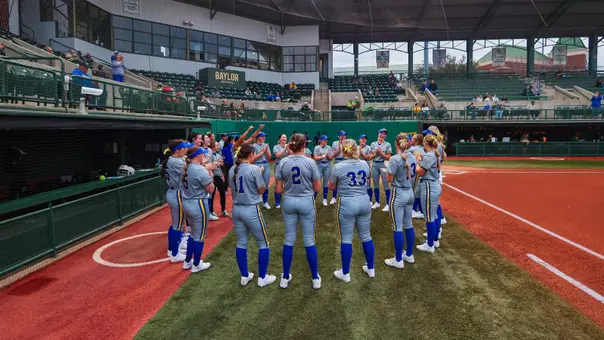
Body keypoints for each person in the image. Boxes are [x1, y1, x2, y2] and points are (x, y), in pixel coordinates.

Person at [275, 133, 322, 289]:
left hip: (289, 200)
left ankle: (285, 276)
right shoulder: (310, 162)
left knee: (289, 240)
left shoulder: (283, 162)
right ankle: (315, 277)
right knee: (309, 240)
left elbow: (278, 189)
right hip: (306, 201)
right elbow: (317, 188)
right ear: (304, 145)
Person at [228, 143, 276, 287]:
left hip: (236, 209)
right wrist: (259, 173)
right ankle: (262, 278)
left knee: (241, 242)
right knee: (264, 243)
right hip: (251, 208)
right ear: (250, 154)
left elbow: (232, 187)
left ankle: (245, 276)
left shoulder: (232, 169)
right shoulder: (254, 169)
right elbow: (261, 190)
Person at [328, 139, 375, 282]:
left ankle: (346, 273)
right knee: (366, 236)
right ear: (356, 150)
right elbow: (367, 180)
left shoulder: (338, 166)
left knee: (346, 238)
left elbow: (331, 187)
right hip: (363, 200)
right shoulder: (364, 164)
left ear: (343, 150)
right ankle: (371, 269)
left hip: (347, 202)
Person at [383, 133, 416, 268]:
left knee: (397, 227)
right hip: (410, 192)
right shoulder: (412, 156)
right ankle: (409, 254)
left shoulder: (394, 159)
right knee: (408, 225)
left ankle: (398, 260)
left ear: (396, 143)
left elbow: (389, 180)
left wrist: (387, 171)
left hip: (399, 193)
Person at [181, 146, 216, 272]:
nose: (204, 156)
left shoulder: (186, 168)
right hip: (198, 204)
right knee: (200, 235)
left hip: (187, 202)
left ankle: (188, 261)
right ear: (197, 156)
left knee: (192, 234)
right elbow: (211, 189)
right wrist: (210, 175)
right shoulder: (199, 169)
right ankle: (196, 264)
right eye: (202, 154)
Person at [161, 139, 193, 262]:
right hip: (177, 193)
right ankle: (175, 254)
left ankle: (172, 249)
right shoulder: (175, 161)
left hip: (175, 192)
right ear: (178, 150)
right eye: (184, 148)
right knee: (178, 225)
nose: (186, 149)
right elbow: (190, 169)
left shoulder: (174, 159)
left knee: (176, 224)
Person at [415, 134, 442, 254]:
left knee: (430, 217)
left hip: (429, 186)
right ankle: (435, 240)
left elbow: (420, 172)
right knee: (434, 215)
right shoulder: (434, 154)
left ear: (426, 144)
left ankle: (430, 244)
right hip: (434, 185)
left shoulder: (429, 155)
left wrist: (417, 163)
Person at [369, 129, 392, 212]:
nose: (382, 135)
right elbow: (370, 157)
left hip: (383, 164)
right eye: (381, 133)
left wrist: (381, 154)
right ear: (378, 134)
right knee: (375, 184)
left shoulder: (388, 144)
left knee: (386, 184)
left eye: (384, 134)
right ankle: (377, 202)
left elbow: (389, 157)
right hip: (374, 164)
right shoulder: (373, 144)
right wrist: (376, 153)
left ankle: (388, 204)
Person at [251, 132, 272, 209]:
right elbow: (253, 158)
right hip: (256, 165)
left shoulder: (266, 145)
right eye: (262, 136)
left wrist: (266, 151)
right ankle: (256, 199)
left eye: (264, 136)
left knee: (266, 184)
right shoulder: (253, 146)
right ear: (258, 137)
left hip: (265, 164)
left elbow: (270, 157)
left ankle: (265, 202)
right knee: (256, 184)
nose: (264, 138)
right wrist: (262, 152)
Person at [209, 142, 229, 218]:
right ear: (213, 146)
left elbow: (222, 164)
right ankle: (211, 211)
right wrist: (218, 162)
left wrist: (223, 175)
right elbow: (211, 165)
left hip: (219, 176)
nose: (218, 147)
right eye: (217, 145)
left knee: (222, 194)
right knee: (212, 195)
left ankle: (223, 210)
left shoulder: (218, 155)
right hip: (213, 177)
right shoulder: (210, 155)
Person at [313, 135, 333, 206]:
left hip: (327, 165)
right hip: (319, 165)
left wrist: (327, 156)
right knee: (317, 181)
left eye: (326, 140)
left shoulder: (329, 147)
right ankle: (313, 198)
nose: (326, 141)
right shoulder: (317, 147)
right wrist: (323, 156)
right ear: (321, 140)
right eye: (324, 140)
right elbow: (315, 158)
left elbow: (331, 159)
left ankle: (324, 199)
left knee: (326, 182)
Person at [408, 134, 425, 219]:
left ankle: (415, 210)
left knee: (415, 191)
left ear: (417, 141)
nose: (411, 139)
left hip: (416, 172)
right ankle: (419, 209)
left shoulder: (412, 149)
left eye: (413, 138)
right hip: (423, 172)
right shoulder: (423, 149)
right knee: (419, 191)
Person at [330, 131, 347, 204]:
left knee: (345, 179)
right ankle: (334, 197)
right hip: (337, 161)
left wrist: (344, 150)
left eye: (344, 135)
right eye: (341, 136)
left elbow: (348, 153)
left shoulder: (347, 142)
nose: (343, 137)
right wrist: (339, 149)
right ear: (339, 136)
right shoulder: (335, 143)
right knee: (335, 180)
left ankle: (344, 196)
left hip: (344, 161)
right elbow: (333, 155)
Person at [272, 134, 289, 208]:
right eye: (283, 137)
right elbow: (277, 155)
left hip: (287, 166)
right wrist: (285, 149)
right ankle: (277, 202)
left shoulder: (288, 146)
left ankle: (286, 200)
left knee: (287, 183)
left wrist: (288, 148)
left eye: (285, 137)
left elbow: (291, 154)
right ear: (279, 139)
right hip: (278, 166)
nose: (285, 138)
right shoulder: (276, 147)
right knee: (278, 183)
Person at [358, 134, 373, 203]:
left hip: (366, 167)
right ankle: (361, 199)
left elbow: (368, 157)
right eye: (362, 139)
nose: (364, 140)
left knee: (368, 184)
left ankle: (369, 200)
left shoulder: (369, 147)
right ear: (359, 140)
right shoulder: (356, 147)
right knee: (359, 184)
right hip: (358, 168)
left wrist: (361, 152)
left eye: (365, 139)